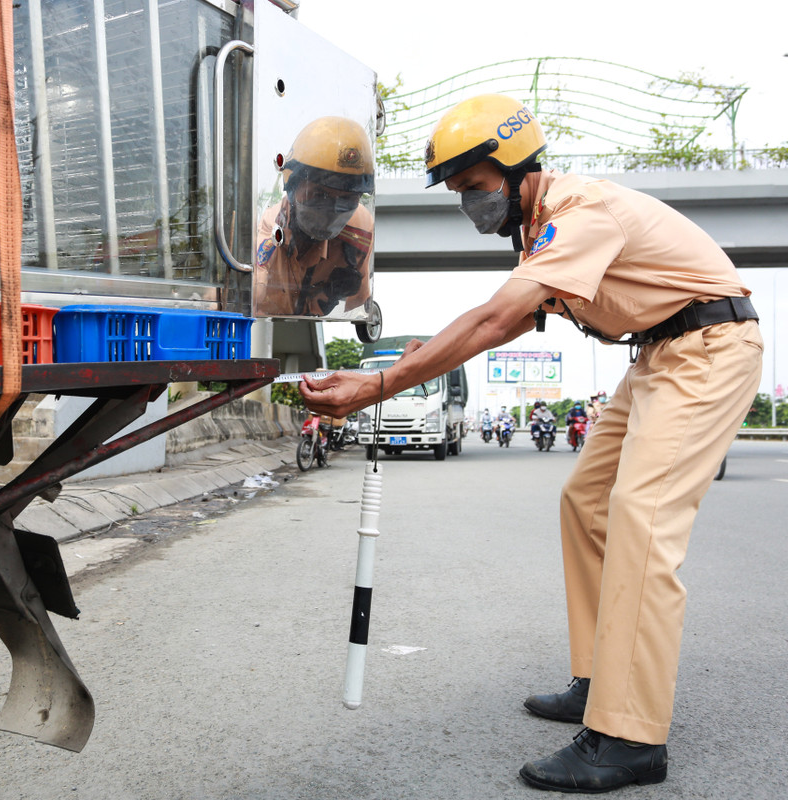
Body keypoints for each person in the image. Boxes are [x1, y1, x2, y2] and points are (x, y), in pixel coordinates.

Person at [299, 93, 761, 793]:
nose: (470, 206)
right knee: (587, 502)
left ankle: (630, 735)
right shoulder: (540, 227)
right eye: (459, 195)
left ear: (516, 167)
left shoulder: (581, 214)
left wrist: (380, 385)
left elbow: (493, 320)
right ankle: (603, 677)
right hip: (660, 352)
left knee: (642, 515)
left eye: (476, 188)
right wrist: (406, 364)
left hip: (707, 346)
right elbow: (511, 320)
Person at [253, 116, 375, 317]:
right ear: (292, 187)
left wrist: (328, 295)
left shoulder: (359, 231)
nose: (333, 209)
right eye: (319, 195)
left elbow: (359, 306)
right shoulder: (266, 234)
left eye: (347, 199)